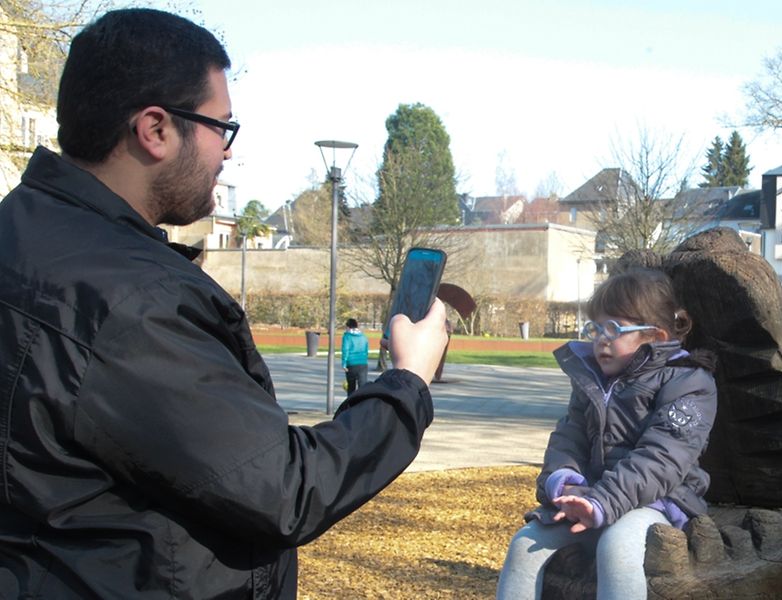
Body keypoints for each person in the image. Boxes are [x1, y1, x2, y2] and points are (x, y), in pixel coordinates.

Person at [0, 9, 448, 599]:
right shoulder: (136, 302)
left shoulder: (20, 229)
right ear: (155, 129)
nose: (228, 153)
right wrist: (408, 383)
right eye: (222, 127)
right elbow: (283, 488)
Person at [496, 268, 718, 600]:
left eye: (614, 328)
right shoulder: (593, 382)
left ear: (655, 336)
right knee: (526, 541)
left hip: (659, 500)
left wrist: (602, 501)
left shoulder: (689, 383)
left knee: (618, 543)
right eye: (596, 328)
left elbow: (661, 460)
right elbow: (568, 437)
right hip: (595, 497)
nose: (601, 338)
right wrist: (563, 481)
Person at [342, 318, 371, 393]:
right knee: (363, 387)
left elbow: (345, 350)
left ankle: (351, 403)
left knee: (351, 388)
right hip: (362, 363)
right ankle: (362, 403)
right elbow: (366, 349)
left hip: (351, 363)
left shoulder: (347, 336)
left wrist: (344, 363)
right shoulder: (363, 336)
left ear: (348, 327)